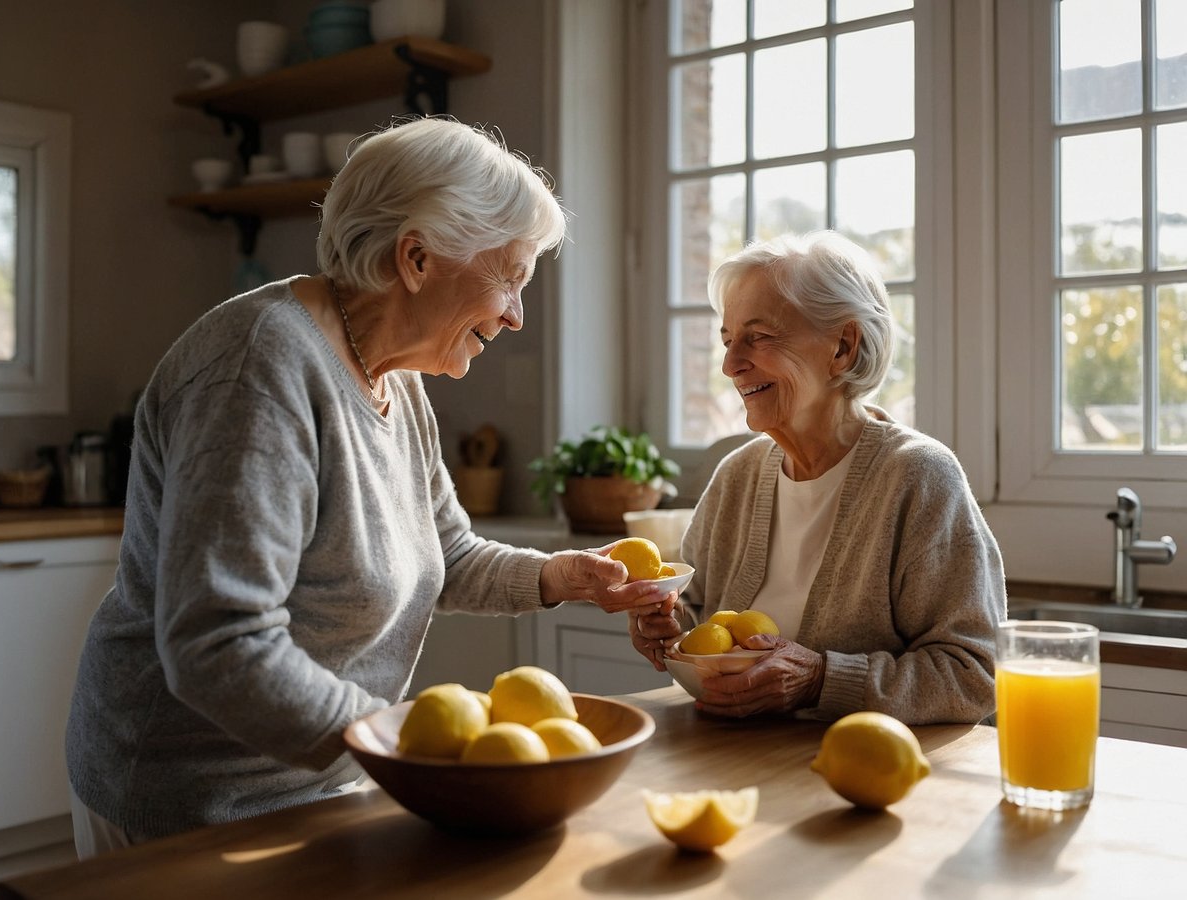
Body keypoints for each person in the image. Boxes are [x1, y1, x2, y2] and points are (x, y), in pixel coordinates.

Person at [65, 118, 671, 856]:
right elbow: (216, 641)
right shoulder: (261, 369)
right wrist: (407, 748)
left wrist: (559, 576)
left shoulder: (395, 376)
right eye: (510, 279)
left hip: (315, 780)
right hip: (188, 798)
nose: (516, 315)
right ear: (416, 257)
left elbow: (446, 548)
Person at [630, 231, 1005, 724]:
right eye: (727, 340)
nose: (730, 364)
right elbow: (700, 624)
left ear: (842, 348)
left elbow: (975, 675)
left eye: (758, 337)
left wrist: (820, 680)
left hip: (863, 774)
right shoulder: (736, 477)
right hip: (735, 760)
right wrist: (667, 629)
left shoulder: (918, 477)